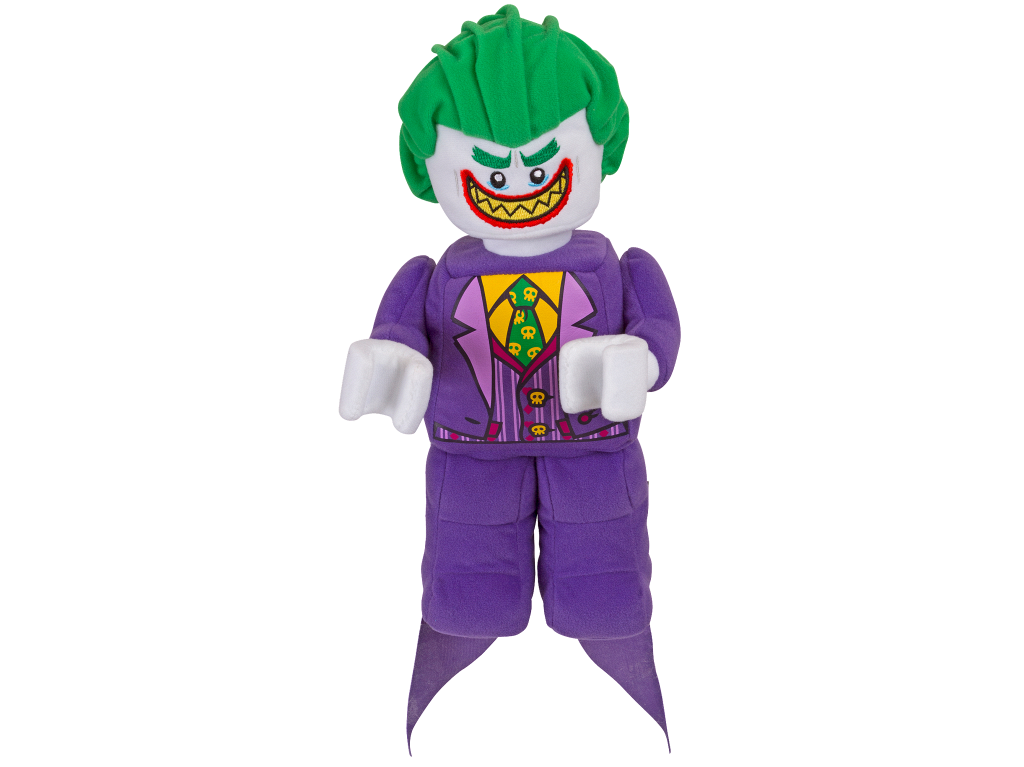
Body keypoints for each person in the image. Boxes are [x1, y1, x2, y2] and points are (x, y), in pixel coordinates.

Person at [338, 5, 680, 748]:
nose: (519, 182)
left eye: (541, 161)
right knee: (467, 581)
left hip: (591, 450)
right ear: (431, 171)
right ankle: (462, 690)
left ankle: (617, 693)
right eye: (492, 169)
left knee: (604, 577)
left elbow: (658, 330)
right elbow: (402, 329)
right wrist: (395, 361)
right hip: (471, 452)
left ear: (600, 147)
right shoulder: (437, 273)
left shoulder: (616, 265)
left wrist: (640, 360)